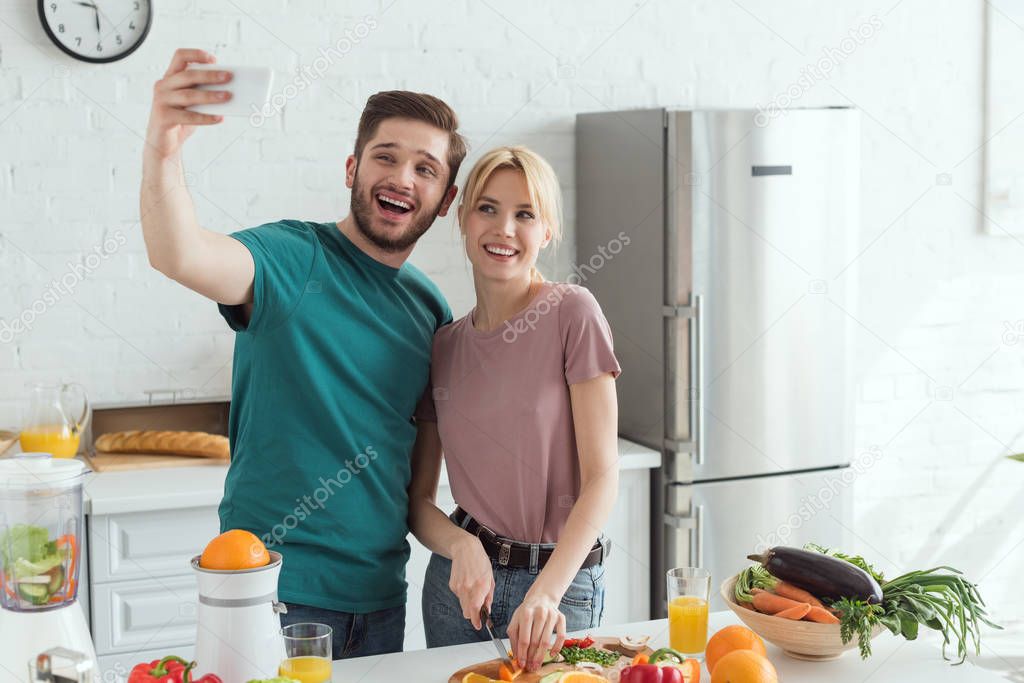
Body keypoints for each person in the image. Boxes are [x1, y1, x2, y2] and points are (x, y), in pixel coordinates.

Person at [140, 48, 467, 659]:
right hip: (273, 592)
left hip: (380, 599)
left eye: (426, 169)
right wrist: (164, 147)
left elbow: (424, 469)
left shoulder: (429, 309)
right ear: (352, 169)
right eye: (386, 157)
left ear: (445, 201)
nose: (402, 177)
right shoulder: (292, 258)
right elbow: (178, 253)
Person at [408, 146, 621, 672]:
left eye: (525, 214)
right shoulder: (444, 347)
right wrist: (459, 546)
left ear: (545, 231)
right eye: (487, 208)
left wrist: (546, 594)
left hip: (559, 589)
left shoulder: (572, 313)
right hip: (460, 591)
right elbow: (416, 502)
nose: (504, 228)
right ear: (461, 218)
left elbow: (602, 478)